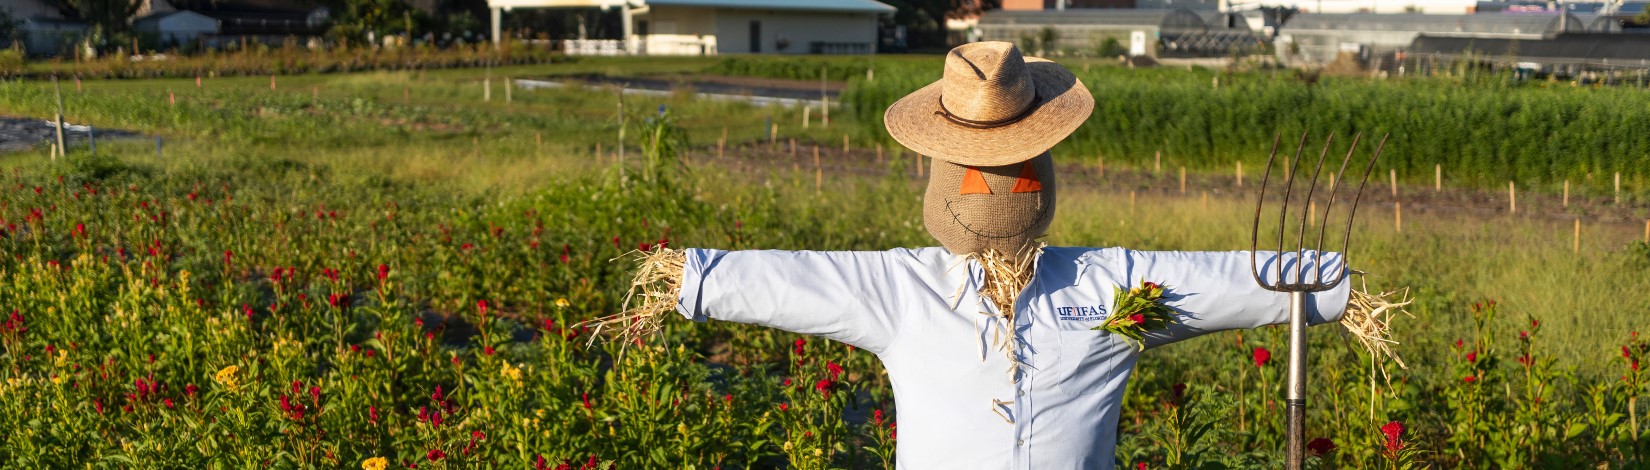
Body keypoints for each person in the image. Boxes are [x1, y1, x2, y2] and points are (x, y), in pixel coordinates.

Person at [610, 41, 1350, 469]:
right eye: (979, 169)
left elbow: (1225, 282)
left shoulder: (1113, 286)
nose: (997, 190)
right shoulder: (902, 289)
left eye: (1017, 167)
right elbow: (798, 277)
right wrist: (694, 277)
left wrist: (1325, 286)